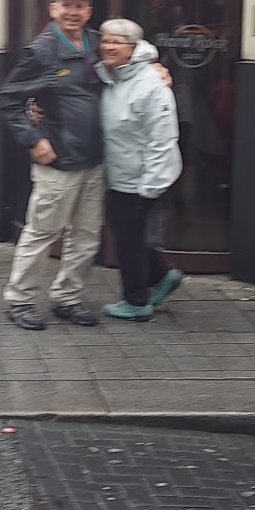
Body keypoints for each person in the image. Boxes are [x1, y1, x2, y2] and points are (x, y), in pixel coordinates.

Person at [0, 0, 107, 330]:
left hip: (94, 159)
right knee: (42, 232)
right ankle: (20, 299)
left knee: (86, 236)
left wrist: (155, 68)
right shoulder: (41, 51)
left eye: (79, 6)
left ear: (89, 11)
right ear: (53, 9)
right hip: (59, 160)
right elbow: (8, 98)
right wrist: (34, 140)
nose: (73, 12)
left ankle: (68, 297)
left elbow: (132, 54)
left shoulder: (98, 43)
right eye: (66, 5)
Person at [93, 19, 185, 321]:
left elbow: (163, 138)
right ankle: (163, 277)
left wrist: (150, 186)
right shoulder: (111, 75)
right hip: (120, 173)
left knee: (128, 240)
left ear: (133, 47)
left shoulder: (151, 85)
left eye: (116, 42)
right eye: (105, 40)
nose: (108, 47)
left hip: (141, 178)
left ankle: (137, 301)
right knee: (128, 233)